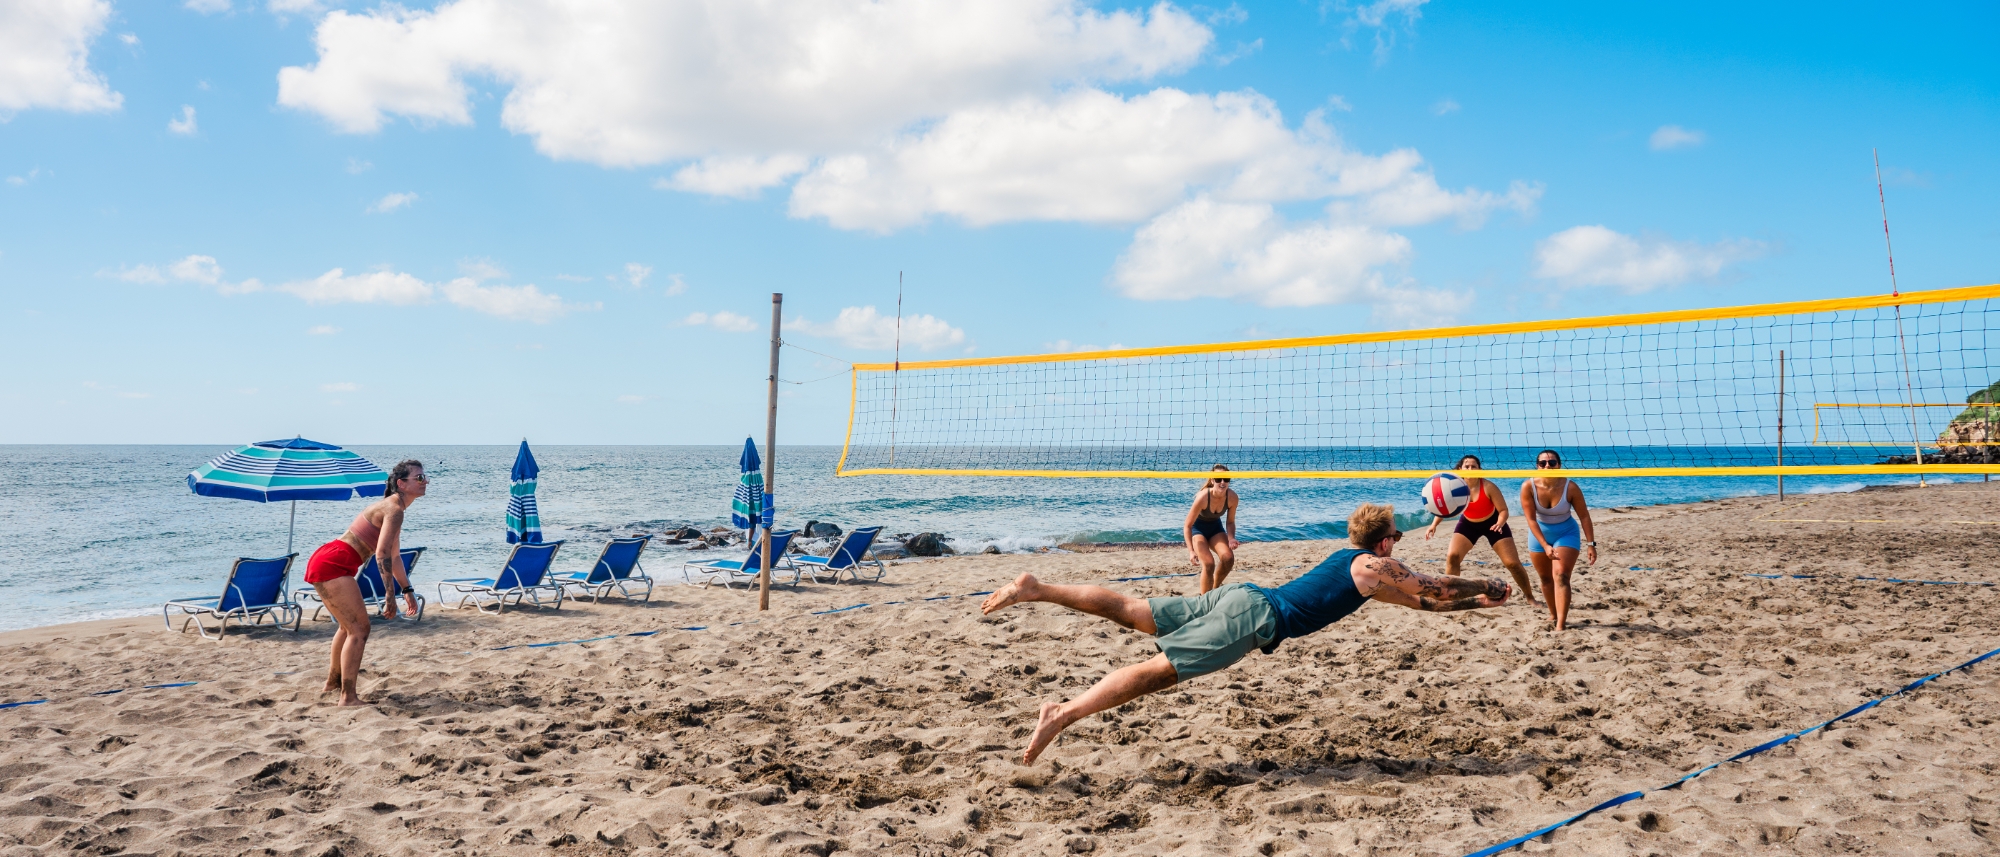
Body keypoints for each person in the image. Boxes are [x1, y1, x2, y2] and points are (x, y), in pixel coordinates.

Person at [981, 503, 1510, 765]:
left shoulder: (1359, 568)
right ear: (1386, 540)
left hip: (1243, 598)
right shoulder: (1373, 567)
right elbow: (1436, 585)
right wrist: (1484, 581)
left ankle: (1037, 586)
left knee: (1135, 609)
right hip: (1253, 620)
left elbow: (1424, 602)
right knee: (1158, 673)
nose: (1398, 541)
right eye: (1396, 534)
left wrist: (1477, 604)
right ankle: (1063, 714)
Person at [302, 459, 427, 706]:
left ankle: (332, 684)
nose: (425, 482)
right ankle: (348, 697)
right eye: (419, 478)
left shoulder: (395, 508)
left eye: (425, 477)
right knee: (360, 630)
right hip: (333, 563)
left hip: (330, 559)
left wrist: (407, 589)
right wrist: (389, 595)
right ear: (402, 484)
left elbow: (394, 556)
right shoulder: (394, 510)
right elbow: (381, 555)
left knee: (347, 628)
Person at [1423, 454, 1539, 609]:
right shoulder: (1454, 487)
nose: (1470, 469)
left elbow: (1503, 510)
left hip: (1493, 523)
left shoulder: (1488, 487)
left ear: (1479, 469)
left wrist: (1500, 523)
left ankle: (1530, 597)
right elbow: (1445, 508)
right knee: (1452, 556)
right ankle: (1449, 597)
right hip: (1468, 524)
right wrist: (1434, 525)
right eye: (1467, 466)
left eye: (1474, 466)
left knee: (1513, 563)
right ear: (1460, 469)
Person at [1519, 450, 1597, 632]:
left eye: (1552, 463)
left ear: (1559, 465)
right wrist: (1545, 545)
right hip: (1539, 534)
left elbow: (1584, 517)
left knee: (1561, 575)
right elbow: (1531, 520)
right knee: (1545, 579)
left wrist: (1591, 544)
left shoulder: (1570, 487)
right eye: (1543, 463)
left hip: (1566, 532)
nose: (1547, 466)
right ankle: (1553, 614)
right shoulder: (1528, 487)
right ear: (1537, 466)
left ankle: (1561, 624)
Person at [1182, 464, 1239, 593]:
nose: (1222, 482)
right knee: (1209, 564)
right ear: (1212, 480)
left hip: (1215, 528)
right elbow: (1187, 526)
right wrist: (1191, 551)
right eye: (1218, 479)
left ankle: (1215, 588)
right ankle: (1204, 599)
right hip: (1198, 529)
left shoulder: (1232, 497)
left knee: (1228, 558)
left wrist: (1231, 538)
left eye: (1226, 479)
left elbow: (1230, 522)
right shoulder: (1203, 497)